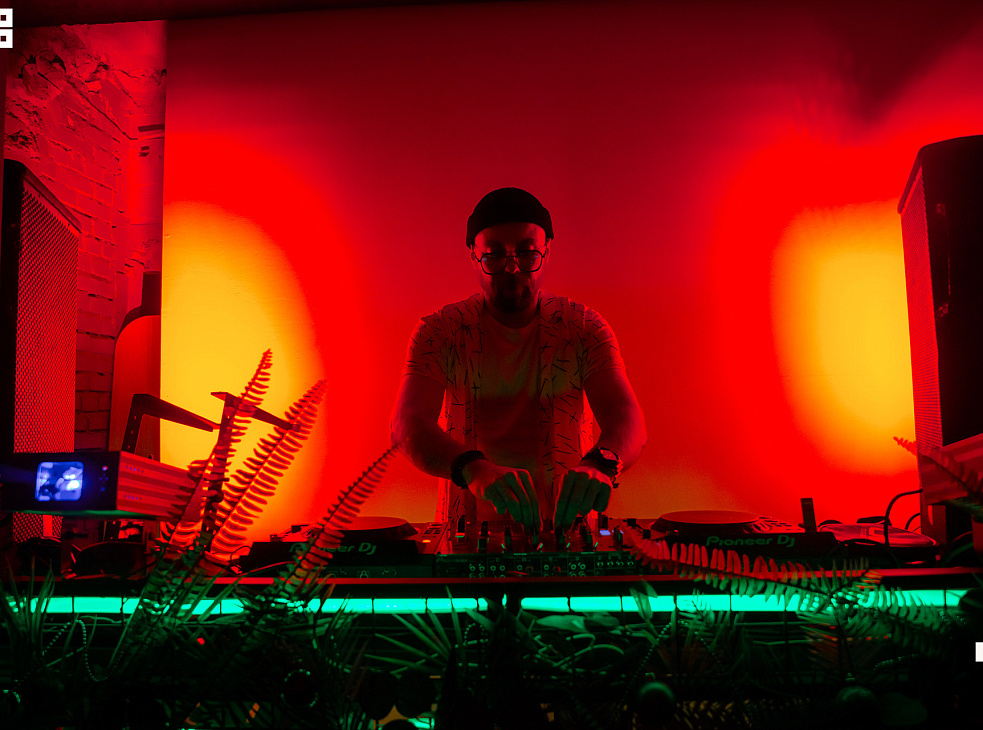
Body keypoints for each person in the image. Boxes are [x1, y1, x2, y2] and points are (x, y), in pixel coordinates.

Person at [390, 187, 646, 534]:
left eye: (527, 253)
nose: (512, 268)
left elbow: (627, 417)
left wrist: (601, 463)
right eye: (494, 255)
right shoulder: (439, 331)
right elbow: (406, 425)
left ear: (547, 251)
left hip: (567, 534)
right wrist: (472, 468)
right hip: (468, 532)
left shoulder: (584, 327)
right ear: (473, 255)